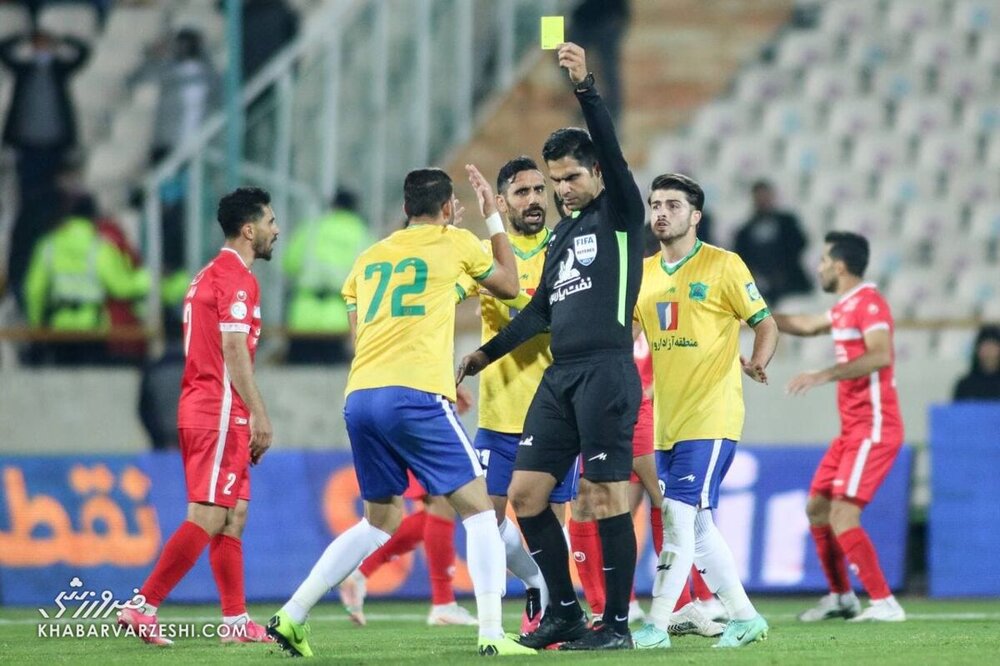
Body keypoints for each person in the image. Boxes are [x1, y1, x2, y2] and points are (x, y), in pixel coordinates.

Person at [267, 166, 533, 658]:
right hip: (416, 394)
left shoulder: (369, 257)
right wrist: (492, 219)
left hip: (362, 395)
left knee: (379, 520)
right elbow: (510, 285)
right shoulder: (456, 242)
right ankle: (494, 633)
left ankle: (292, 614)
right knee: (480, 512)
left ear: (406, 208)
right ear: (448, 207)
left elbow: (361, 334)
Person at [458, 43, 646, 651]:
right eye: (556, 179)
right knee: (525, 496)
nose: (563, 188)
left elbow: (612, 149)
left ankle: (615, 625)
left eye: (572, 177)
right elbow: (539, 310)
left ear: (597, 175)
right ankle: (564, 611)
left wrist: (585, 86)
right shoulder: (563, 235)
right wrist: (482, 356)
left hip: (606, 372)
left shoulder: (620, 215)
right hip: (560, 377)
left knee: (604, 495)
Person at [117, 187, 280, 644]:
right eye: (270, 222)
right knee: (208, 514)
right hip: (219, 410)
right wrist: (259, 413)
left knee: (234, 514)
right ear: (248, 230)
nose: (276, 230)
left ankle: (235, 622)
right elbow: (233, 349)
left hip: (209, 408)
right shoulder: (237, 279)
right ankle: (143, 606)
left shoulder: (207, 274)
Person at [630, 173, 778, 650]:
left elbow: (766, 323)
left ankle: (656, 626)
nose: (661, 212)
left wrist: (758, 360)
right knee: (697, 524)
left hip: (711, 415)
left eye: (672, 205)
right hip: (666, 421)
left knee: (676, 514)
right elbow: (626, 336)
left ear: (695, 216)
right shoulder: (644, 273)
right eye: (656, 204)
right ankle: (745, 617)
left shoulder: (723, 265)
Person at [773, 230, 907, 623]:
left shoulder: (870, 304)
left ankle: (885, 603)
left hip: (874, 427)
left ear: (841, 266)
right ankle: (841, 597)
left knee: (843, 515)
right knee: (817, 508)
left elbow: (880, 356)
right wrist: (753, 314)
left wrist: (823, 374)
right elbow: (807, 324)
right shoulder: (845, 307)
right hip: (851, 432)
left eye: (823, 261)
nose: (819, 268)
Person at [1, 29, 89, 306]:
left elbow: (83, 53)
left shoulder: (59, 70)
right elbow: (3, 50)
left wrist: (61, 41)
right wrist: (25, 37)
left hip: (55, 150)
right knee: (28, 208)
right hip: (27, 150)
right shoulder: (24, 70)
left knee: (49, 206)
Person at [22, 205, 149, 365]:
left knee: (61, 376)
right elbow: (122, 287)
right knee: (92, 377)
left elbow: (34, 290)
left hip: (59, 328)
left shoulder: (48, 246)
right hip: (92, 327)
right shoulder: (100, 247)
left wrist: (36, 325)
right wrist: (150, 278)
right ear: (92, 219)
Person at [282, 189, 372, 364]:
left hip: (303, 315)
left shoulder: (311, 229)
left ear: (333, 206)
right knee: (329, 375)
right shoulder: (363, 235)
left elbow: (289, 263)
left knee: (298, 373)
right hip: (339, 318)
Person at [733, 179, 811, 306]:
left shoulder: (788, 222)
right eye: (759, 197)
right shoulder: (745, 232)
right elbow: (741, 258)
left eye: (765, 196)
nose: (763, 201)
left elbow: (800, 245)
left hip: (791, 284)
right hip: (760, 287)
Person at [569, 0, 629, 126]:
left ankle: (611, 114)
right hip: (580, 17)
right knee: (567, 60)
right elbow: (553, 7)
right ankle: (590, 102)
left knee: (609, 68)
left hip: (607, 15)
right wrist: (550, 40)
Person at [953, 325, 1000, 401]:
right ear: (977, 350)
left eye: (993, 346)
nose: (989, 350)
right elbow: (957, 408)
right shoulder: (965, 385)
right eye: (985, 346)